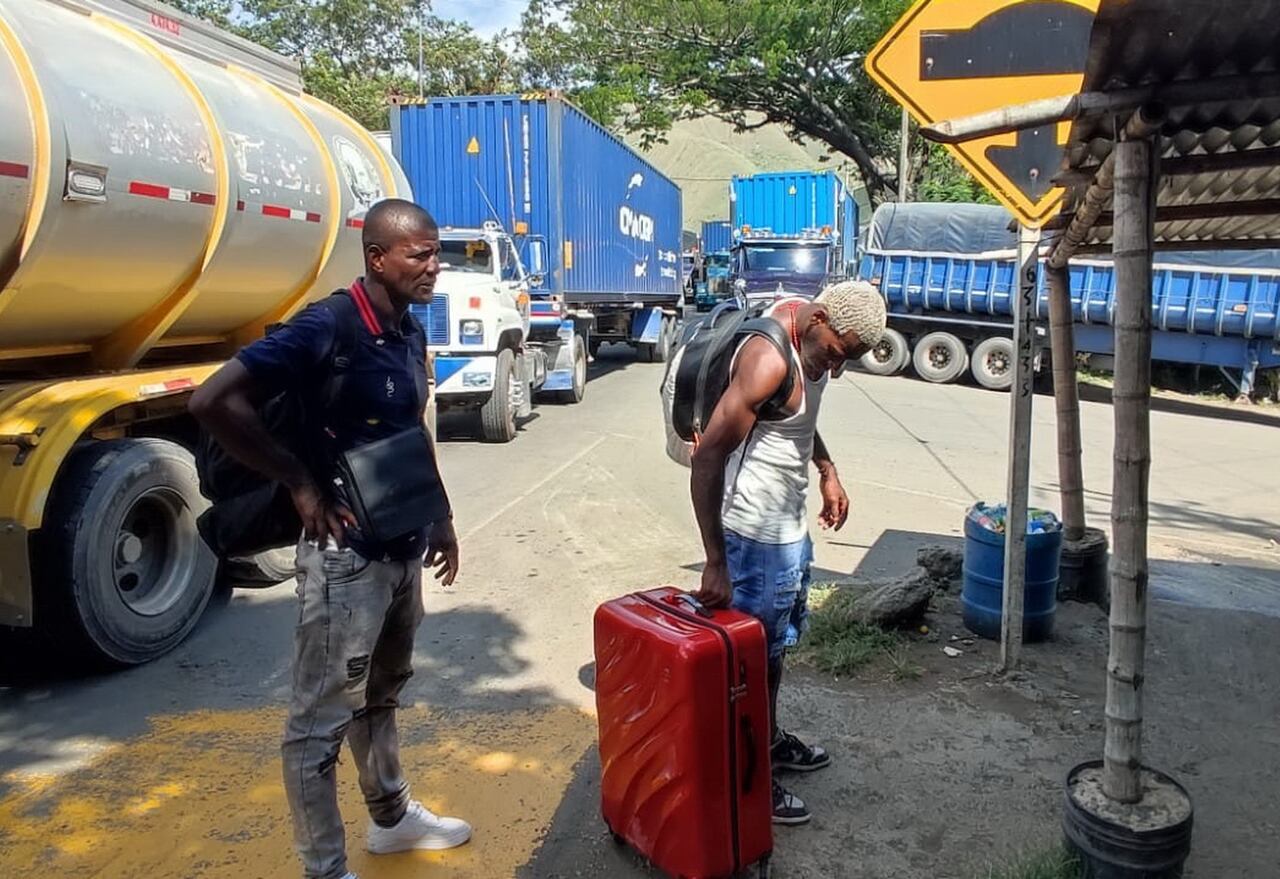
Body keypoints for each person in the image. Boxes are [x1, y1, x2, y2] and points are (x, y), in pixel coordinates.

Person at [190, 199, 469, 879]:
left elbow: (411, 427)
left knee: (381, 695)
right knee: (318, 723)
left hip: (401, 548)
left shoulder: (407, 329)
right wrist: (298, 481)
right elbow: (212, 401)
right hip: (346, 563)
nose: (434, 266)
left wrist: (440, 516)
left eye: (437, 253)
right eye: (420, 254)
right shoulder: (328, 326)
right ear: (377, 257)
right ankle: (324, 867)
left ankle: (392, 819)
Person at [689, 281, 887, 826]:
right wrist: (716, 561)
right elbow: (707, 458)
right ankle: (746, 776)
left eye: (848, 360)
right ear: (819, 320)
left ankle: (768, 741)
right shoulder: (767, 361)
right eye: (838, 353)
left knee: (774, 655)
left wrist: (827, 469)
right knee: (751, 665)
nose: (836, 369)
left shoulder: (813, 339)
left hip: (787, 530)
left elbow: (794, 420)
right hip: (753, 538)